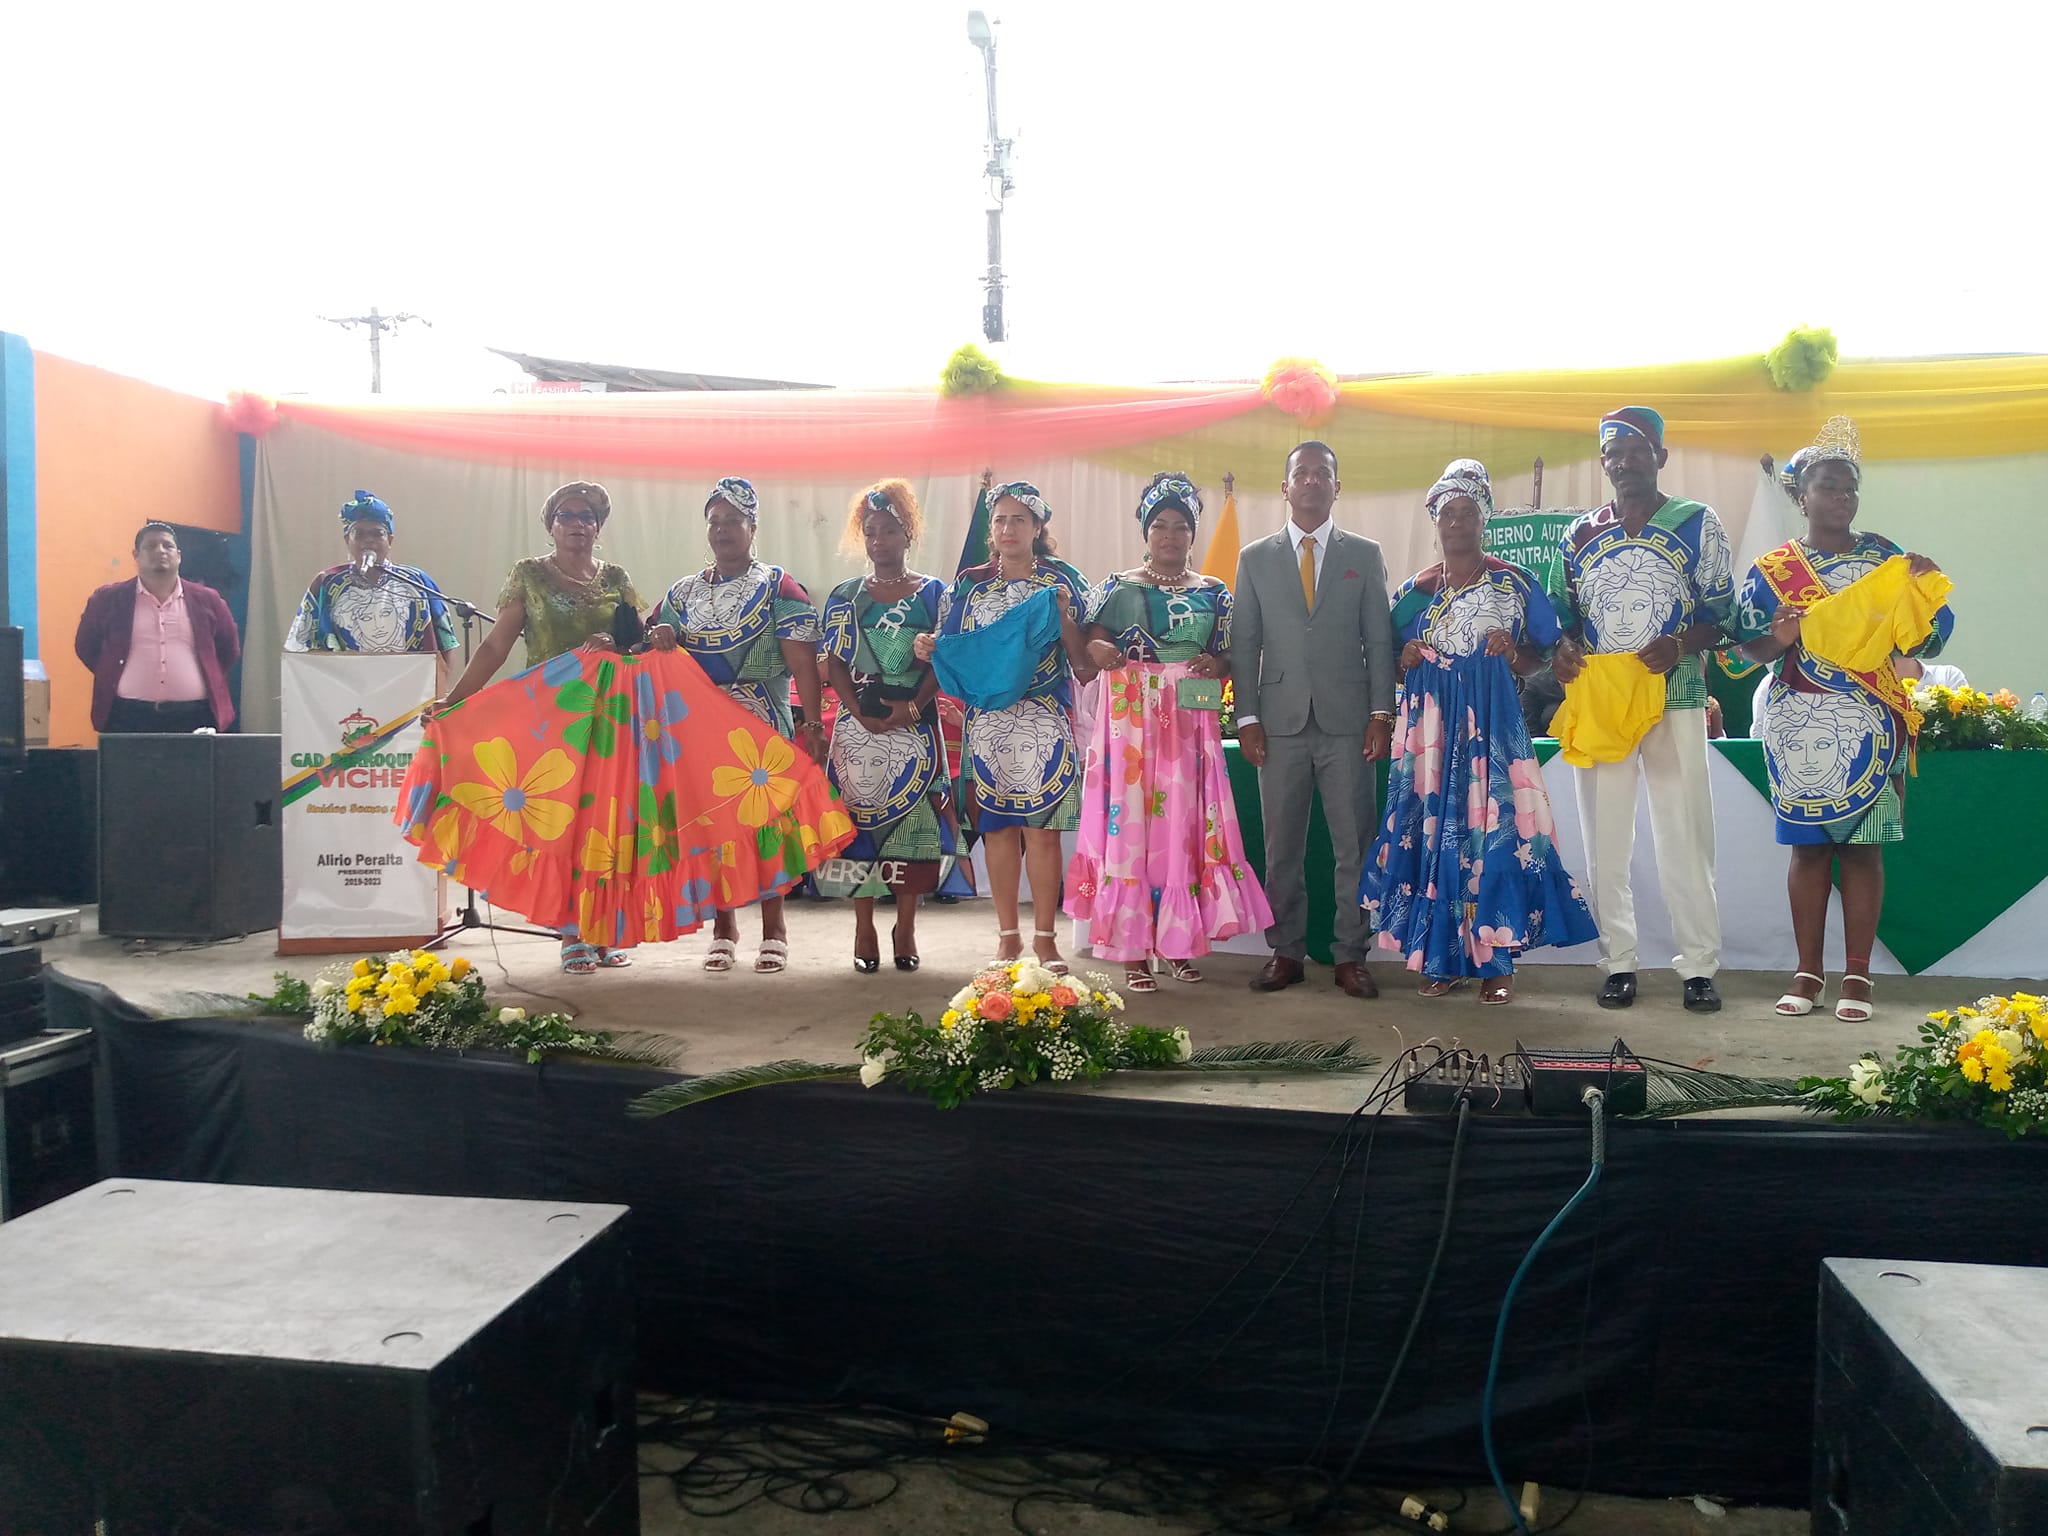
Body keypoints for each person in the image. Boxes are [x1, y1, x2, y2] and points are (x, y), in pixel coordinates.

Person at [1736, 416, 1954, 1022]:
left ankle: (1858, 975)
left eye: (1850, 487)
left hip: (1873, 724)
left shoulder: (1886, 557)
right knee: (1808, 851)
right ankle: (1807, 972)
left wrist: (1923, 586)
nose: (1841, 497)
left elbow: (1930, 637)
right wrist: (1777, 639)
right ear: (1800, 495)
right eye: (1828, 486)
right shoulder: (1774, 568)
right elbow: (1741, 650)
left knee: (1863, 850)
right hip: (1799, 724)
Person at [1361, 461, 1598, 1003]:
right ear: (1435, 520)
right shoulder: (1414, 591)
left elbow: (1546, 653)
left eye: (1468, 512)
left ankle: (1497, 965)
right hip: (1430, 733)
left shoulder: (1515, 582)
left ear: (1484, 518)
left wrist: (1513, 653)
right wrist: (1404, 658)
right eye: (1448, 512)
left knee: (1494, 834)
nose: (1458, 521)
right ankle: (1440, 956)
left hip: (1492, 724)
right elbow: (1387, 660)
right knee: (1433, 833)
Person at [1550, 407, 1734, 1013]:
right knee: (1605, 839)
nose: (1625, 462)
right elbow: (1561, 617)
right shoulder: (1578, 534)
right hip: (1604, 702)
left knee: (1685, 834)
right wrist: (1564, 650)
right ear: (1603, 463)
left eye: (1637, 450)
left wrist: (1681, 644)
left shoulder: (1697, 522)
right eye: (1614, 453)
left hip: (1674, 696)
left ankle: (1698, 967)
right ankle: (1619, 962)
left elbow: (1724, 615)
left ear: (1660, 456)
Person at [1066, 474, 1274, 993]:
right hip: (1130, 718)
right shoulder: (1119, 587)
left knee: (1181, 827)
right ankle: (1133, 951)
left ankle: (1177, 943)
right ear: (1145, 530)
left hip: (1187, 719)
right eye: (1160, 525)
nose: (1170, 535)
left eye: (1181, 526)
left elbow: (1234, 652)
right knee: (1132, 826)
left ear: (1193, 533)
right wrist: (1098, 649)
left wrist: (1217, 663)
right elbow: (1091, 642)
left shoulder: (1214, 593)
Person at [438, 481, 642, 974]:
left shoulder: (617, 577)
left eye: (588, 516)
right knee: (560, 825)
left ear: (599, 527)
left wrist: (617, 645)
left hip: (609, 718)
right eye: (567, 515)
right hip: (549, 721)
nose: (578, 524)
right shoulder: (528, 574)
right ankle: (571, 933)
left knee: (604, 827)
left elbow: (635, 646)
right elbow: (495, 646)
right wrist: (454, 701)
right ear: (551, 525)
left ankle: (600, 930)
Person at [1231, 441, 1397, 999]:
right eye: (1300, 473)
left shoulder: (1364, 554)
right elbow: (1245, 643)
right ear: (1285, 487)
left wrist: (1381, 714)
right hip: (1277, 725)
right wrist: (1247, 717)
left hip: (1348, 723)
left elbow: (1378, 640)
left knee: (1355, 845)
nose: (1310, 481)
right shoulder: (1255, 558)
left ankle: (1351, 954)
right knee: (1282, 849)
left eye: (1321, 473)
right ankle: (1287, 951)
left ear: (1336, 486)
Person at [646, 477, 826, 975]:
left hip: (760, 722)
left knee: (766, 824)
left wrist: (812, 724)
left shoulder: (779, 586)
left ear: (753, 527)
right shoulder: (682, 592)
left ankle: (775, 928)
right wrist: (660, 634)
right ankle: (723, 928)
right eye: (715, 521)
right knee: (712, 825)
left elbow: (804, 664)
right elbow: (649, 643)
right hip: (697, 730)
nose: (722, 530)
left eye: (733, 521)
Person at [913, 481, 1093, 973]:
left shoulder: (1064, 580)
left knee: (1042, 832)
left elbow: (1082, 653)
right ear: (990, 530)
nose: (1008, 529)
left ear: (1037, 527)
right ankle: (1008, 937)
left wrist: (1063, 617)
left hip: (1044, 717)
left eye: (1019, 519)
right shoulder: (969, 584)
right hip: (989, 723)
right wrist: (927, 645)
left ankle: (1046, 939)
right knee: (997, 829)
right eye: (1000, 520)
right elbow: (950, 642)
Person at [817, 480, 957, 974]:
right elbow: (834, 662)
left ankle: (906, 925)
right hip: (858, 725)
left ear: (908, 534)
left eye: (889, 531)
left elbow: (946, 657)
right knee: (858, 823)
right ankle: (863, 925)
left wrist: (914, 708)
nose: (879, 541)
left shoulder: (936, 594)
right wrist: (856, 712)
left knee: (913, 825)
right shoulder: (845, 596)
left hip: (916, 721)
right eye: (871, 531)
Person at [75, 521, 240, 734]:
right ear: (136, 555)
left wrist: (205, 673)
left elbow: (229, 649)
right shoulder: (108, 599)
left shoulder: (208, 600)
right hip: (127, 716)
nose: (160, 551)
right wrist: (112, 669)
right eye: (151, 546)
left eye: (167, 545)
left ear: (178, 556)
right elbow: (86, 646)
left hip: (196, 716)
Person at [285, 491, 458, 686]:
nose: (369, 540)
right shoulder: (326, 583)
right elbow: (303, 646)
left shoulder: (418, 583)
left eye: (377, 533)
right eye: (359, 534)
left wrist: (440, 690)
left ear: (390, 540)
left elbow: (446, 643)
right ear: (347, 539)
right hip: (346, 692)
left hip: (411, 690)